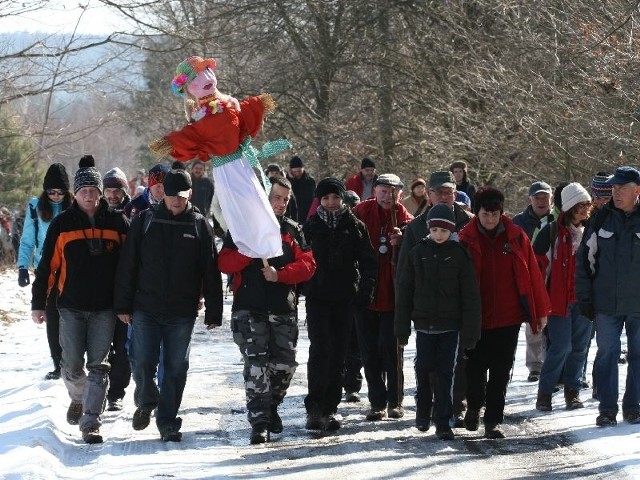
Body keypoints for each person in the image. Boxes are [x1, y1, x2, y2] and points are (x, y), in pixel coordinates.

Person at [114, 169, 223, 442]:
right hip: (145, 307)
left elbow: (210, 270)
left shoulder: (199, 225)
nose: (177, 200)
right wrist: (123, 304)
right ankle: (147, 399)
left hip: (181, 312)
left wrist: (214, 310)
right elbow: (128, 265)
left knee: (176, 367)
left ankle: (167, 421)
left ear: (189, 195)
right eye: (172, 194)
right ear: (163, 193)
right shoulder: (145, 221)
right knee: (140, 361)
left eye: (182, 195)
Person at [31, 155, 129, 444]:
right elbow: (47, 266)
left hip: (105, 308)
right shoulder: (62, 224)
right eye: (84, 191)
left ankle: (91, 422)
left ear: (101, 193)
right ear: (77, 193)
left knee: (99, 365)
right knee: (71, 365)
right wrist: (38, 303)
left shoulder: (118, 223)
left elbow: (130, 266)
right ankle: (79, 397)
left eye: (94, 191)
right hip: (70, 307)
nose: (89, 196)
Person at [218, 175, 316, 444]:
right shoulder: (242, 229)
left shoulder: (293, 230)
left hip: (282, 308)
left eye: (286, 199)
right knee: (256, 366)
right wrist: (248, 251)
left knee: (285, 365)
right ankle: (259, 422)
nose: (281, 203)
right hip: (249, 308)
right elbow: (224, 262)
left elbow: (308, 265)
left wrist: (281, 274)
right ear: (264, 196)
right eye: (276, 197)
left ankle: (271, 406)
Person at [459, 187, 549, 439]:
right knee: (474, 368)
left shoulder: (516, 237)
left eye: (494, 214)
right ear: (476, 213)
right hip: (475, 316)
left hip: (508, 317)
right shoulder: (464, 239)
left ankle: (493, 420)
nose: (490, 219)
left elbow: (533, 275)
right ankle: (474, 406)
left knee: (501, 370)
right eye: (485, 214)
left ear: (502, 213)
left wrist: (540, 311)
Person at [395, 204, 481, 440]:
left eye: (443, 231)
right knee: (423, 370)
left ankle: (443, 420)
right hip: (423, 325)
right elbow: (405, 293)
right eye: (434, 230)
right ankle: (423, 411)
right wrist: (401, 329)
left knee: (446, 373)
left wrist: (471, 332)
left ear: (451, 231)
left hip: (450, 326)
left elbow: (470, 296)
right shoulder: (418, 253)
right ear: (429, 230)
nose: (438, 235)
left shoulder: (459, 255)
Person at [302, 177, 377, 431]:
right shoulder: (310, 227)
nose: (331, 203)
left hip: (345, 299)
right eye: (326, 198)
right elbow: (300, 260)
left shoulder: (355, 226)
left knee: (339, 353)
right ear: (319, 201)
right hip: (318, 299)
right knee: (320, 350)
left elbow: (369, 261)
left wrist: (365, 290)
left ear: (342, 199)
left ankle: (330, 408)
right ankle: (314, 406)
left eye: (335, 198)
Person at [575, 166, 640, 427]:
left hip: (638, 305)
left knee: (638, 355)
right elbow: (584, 262)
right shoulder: (600, 219)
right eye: (613, 188)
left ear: (637, 190)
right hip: (605, 304)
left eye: (622, 188)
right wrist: (585, 298)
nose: (616, 193)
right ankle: (607, 409)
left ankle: (633, 407)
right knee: (606, 354)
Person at [352, 173, 413, 421]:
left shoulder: (405, 218)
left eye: (393, 191)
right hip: (365, 295)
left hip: (393, 296)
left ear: (400, 193)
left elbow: (417, 246)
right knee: (368, 352)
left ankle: (395, 401)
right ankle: (376, 402)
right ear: (374, 191)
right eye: (383, 191)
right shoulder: (359, 213)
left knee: (392, 350)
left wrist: (404, 239)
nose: (388, 196)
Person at [533, 183, 593, 412]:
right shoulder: (552, 233)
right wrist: (540, 303)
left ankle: (572, 392)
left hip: (584, 301)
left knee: (580, 348)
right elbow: (539, 270)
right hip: (558, 302)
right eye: (579, 207)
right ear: (568, 208)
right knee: (561, 347)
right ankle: (545, 392)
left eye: (586, 206)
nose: (584, 211)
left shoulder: (591, 232)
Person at [17, 163, 72, 380]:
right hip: (47, 268)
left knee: (71, 316)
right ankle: (59, 364)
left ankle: (73, 358)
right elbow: (28, 240)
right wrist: (23, 266)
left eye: (60, 192)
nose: (56, 196)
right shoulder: (36, 207)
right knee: (51, 316)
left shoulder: (74, 206)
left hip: (72, 268)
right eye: (51, 192)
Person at [512, 180, 555, 383]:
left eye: (545, 197)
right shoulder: (519, 222)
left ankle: (554, 365)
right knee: (534, 323)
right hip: (529, 278)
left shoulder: (558, 219)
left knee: (555, 324)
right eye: (537, 197)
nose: (541, 201)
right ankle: (535, 366)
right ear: (530, 199)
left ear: (551, 199)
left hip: (554, 277)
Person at [287, 156, 316, 222]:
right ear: (290, 171)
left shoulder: (310, 181)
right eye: (295, 172)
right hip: (292, 217)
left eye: (299, 171)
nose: (297, 174)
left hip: (307, 216)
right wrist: (292, 179)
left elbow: (314, 199)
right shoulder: (286, 181)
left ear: (303, 169)